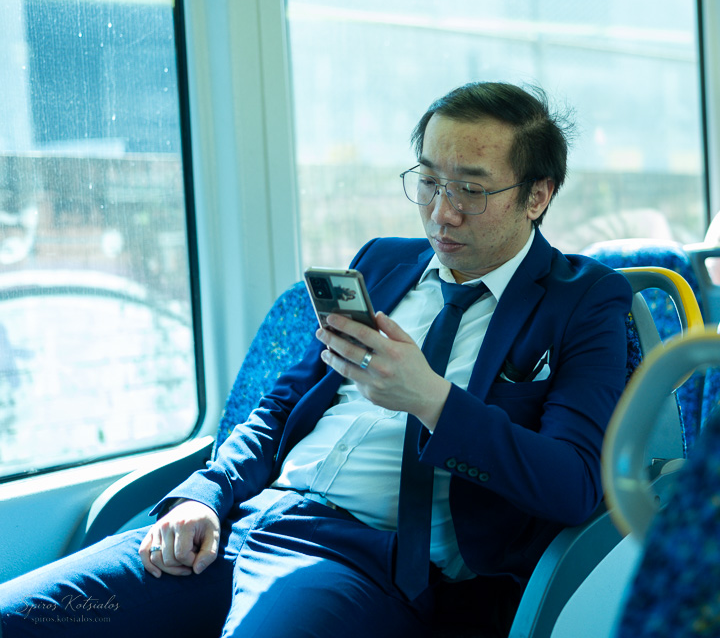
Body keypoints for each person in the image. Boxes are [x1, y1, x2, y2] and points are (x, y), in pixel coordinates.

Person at [0, 82, 632, 638]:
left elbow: (574, 484)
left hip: (367, 562)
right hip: (243, 523)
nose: (442, 212)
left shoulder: (586, 301)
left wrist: (430, 400)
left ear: (537, 196)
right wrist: (205, 494)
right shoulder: (384, 261)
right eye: (429, 182)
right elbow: (280, 407)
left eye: (471, 188)